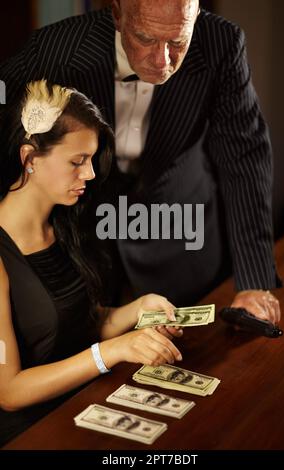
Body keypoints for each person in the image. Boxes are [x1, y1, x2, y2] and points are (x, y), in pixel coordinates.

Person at [0, 0, 281, 322]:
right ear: (118, 15)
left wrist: (255, 282)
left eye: (177, 42)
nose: (162, 61)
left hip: (179, 231)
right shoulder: (54, 47)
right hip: (81, 235)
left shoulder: (222, 43)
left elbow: (244, 158)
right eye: (145, 39)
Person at [0, 80, 183, 447]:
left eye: (91, 159)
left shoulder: (65, 225)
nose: (90, 174)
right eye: (77, 161)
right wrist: (113, 351)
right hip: (31, 435)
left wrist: (137, 309)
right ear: (29, 158)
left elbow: (76, 324)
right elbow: (9, 391)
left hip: (84, 409)